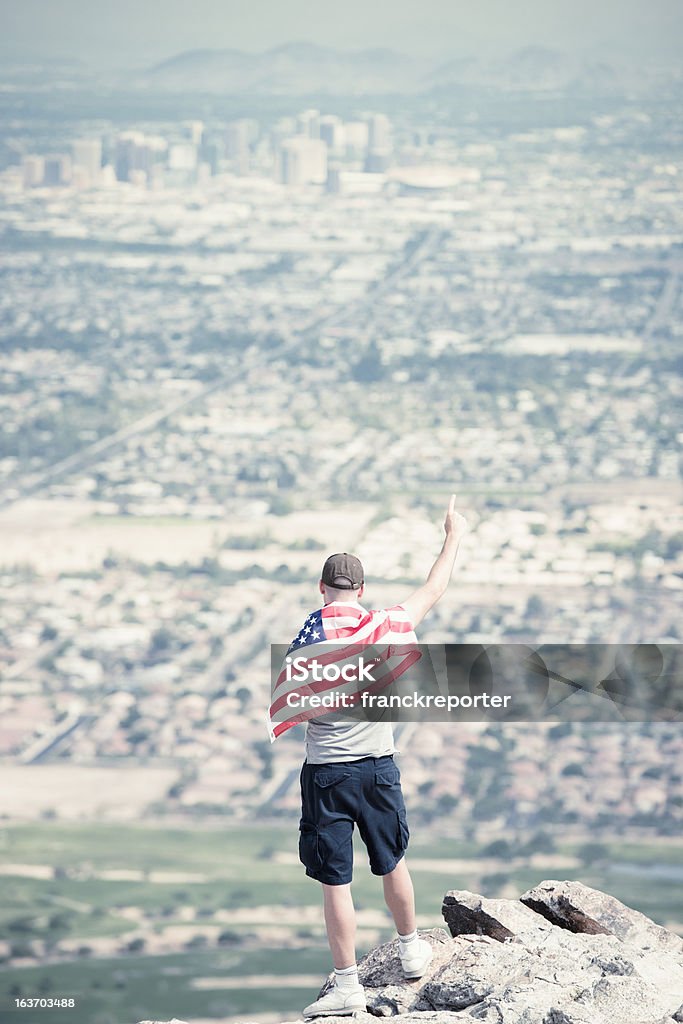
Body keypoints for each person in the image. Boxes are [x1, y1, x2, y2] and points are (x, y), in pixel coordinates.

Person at [293, 495, 468, 1018]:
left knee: (335, 881)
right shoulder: (386, 625)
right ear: (362, 590)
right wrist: (453, 535)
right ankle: (412, 947)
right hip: (378, 767)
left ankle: (347, 984)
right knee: (392, 860)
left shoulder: (307, 639)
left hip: (326, 773)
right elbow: (434, 589)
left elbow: (295, 708)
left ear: (322, 588)